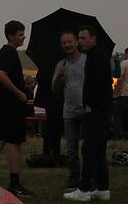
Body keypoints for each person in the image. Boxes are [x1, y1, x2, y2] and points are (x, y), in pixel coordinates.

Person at [0, 20, 33, 198]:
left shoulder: (6, 53)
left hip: (4, 105)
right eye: (20, 34)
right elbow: (1, 76)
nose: (23, 37)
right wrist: (19, 93)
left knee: (0, 139)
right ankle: (14, 183)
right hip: (11, 106)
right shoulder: (9, 53)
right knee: (13, 142)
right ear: (11, 36)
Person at [64, 25, 112, 201]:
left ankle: (84, 190)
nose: (80, 41)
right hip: (102, 109)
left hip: (96, 110)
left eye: (83, 38)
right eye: (79, 38)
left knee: (89, 149)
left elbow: (97, 84)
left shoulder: (96, 57)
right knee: (99, 150)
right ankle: (102, 187)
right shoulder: (96, 55)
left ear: (93, 38)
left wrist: (90, 104)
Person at [52, 31, 87, 190]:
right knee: (72, 150)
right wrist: (59, 77)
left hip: (87, 111)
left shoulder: (87, 61)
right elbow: (55, 90)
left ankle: (88, 181)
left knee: (88, 149)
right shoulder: (61, 65)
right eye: (64, 43)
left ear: (76, 42)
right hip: (69, 112)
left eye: (70, 42)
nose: (67, 45)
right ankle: (74, 181)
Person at [112, 47, 128, 139]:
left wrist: (116, 91)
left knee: (120, 116)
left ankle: (120, 134)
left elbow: (119, 77)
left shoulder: (124, 63)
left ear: (126, 54)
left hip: (123, 93)